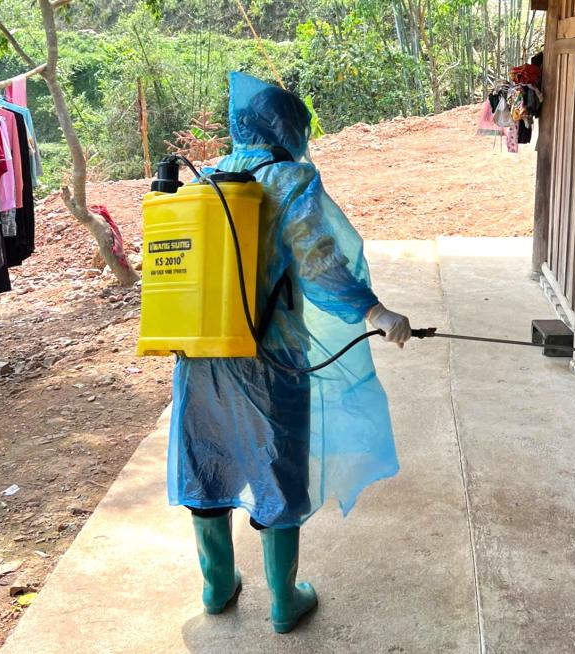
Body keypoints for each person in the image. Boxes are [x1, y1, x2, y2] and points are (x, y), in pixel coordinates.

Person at [168, 71, 411, 633]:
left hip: (199, 357)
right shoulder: (289, 181)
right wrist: (373, 312)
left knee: (206, 464)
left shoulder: (206, 178)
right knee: (279, 470)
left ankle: (216, 586)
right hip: (269, 357)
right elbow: (321, 265)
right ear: (287, 127)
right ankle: (283, 600)